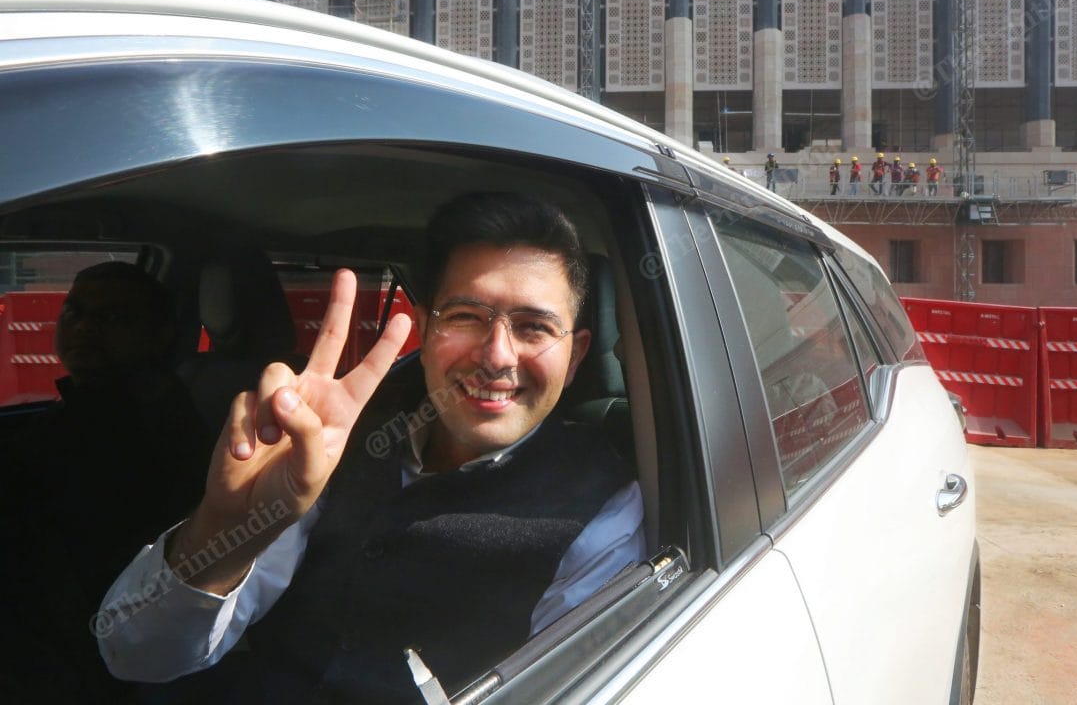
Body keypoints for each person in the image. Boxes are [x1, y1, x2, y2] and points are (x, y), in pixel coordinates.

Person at [96, 193, 645, 704]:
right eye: (465, 318)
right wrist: (225, 529)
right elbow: (136, 653)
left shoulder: (604, 513)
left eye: (533, 327)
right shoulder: (330, 444)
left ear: (575, 358)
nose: (497, 356)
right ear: (426, 333)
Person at [1, 262, 209, 702]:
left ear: (160, 334)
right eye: (73, 313)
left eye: (113, 318)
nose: (84, 329)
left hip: (74, 647)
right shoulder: (92, 405)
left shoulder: (141, 419)